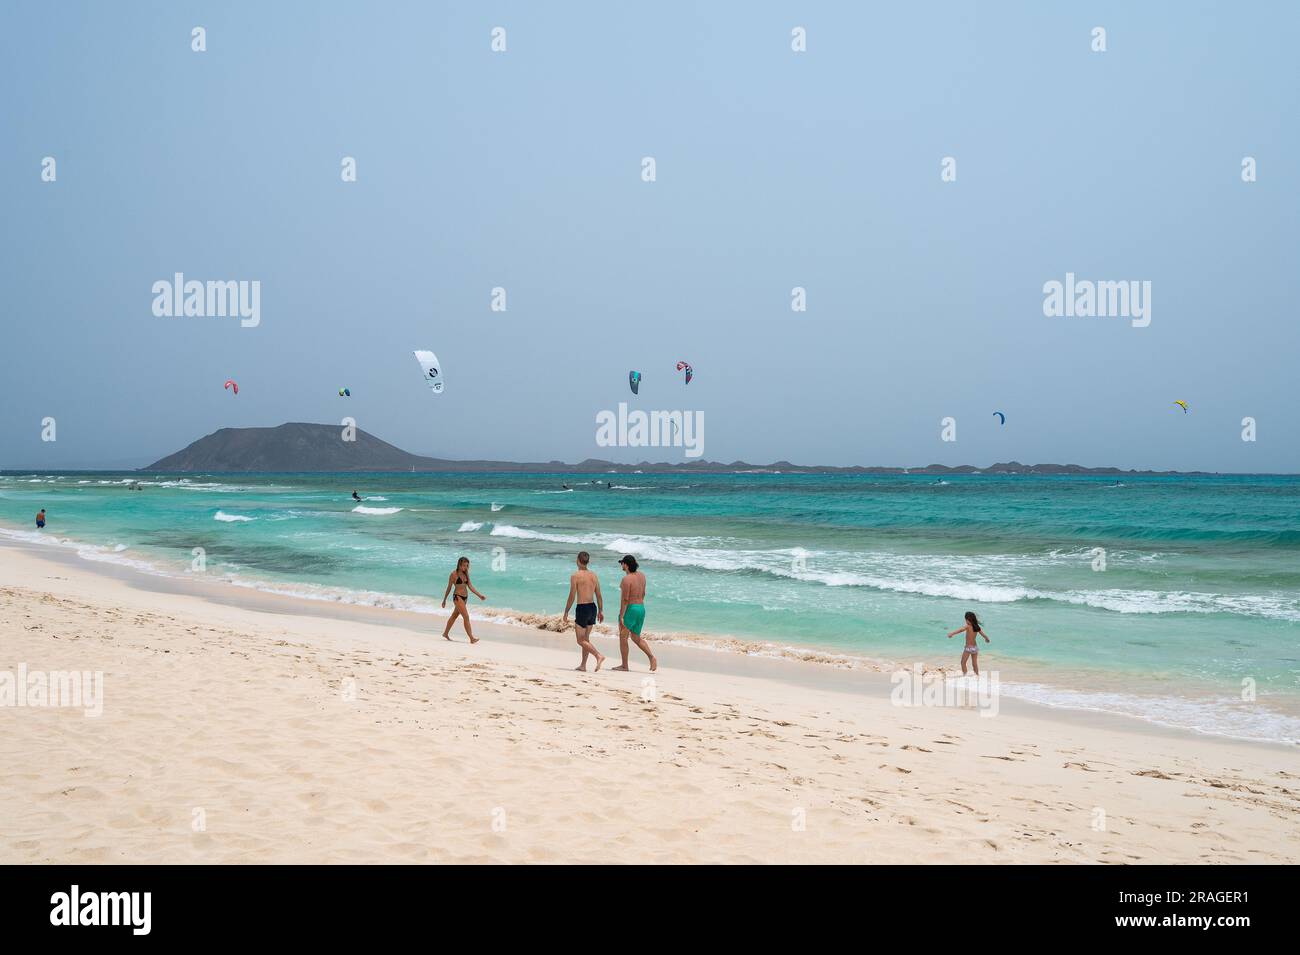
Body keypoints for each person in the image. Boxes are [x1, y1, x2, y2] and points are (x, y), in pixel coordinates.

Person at [562, 551, 605, 671]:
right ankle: (583, 665)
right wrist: (600, 611)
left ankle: (598, 656)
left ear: (577, 560)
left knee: (580, 640)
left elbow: (572, 595)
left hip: (582, 608)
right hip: (592, 607)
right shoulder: (594, 575)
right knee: (586, 639)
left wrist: (566, 611)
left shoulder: (575, 576)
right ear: (587, 561)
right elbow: (599, 595)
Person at [612, 554, 656, 672]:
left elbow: (625, 599)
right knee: (636, 637)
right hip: (641, 608)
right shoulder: (642, 576)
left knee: (623, 637)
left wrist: (621, 616)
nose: (621, 565)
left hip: (631, 609)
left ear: (626, 565)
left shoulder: (626, 579)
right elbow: (643, 593)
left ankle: (624, 665)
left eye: (622, 563)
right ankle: (651, 657)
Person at [441, 556, 486, 642]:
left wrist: (479, 595)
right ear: (459, 565)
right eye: (464, 565)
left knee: (454, 616)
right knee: (466, 616)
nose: (466, 567)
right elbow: (449, 588)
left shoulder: (466, 573)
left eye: (467, 565)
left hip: (465, 598)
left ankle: (445, 633)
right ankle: (471, 638)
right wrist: (444, 600)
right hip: (457, 597)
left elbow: (470, 586)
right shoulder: (453, 574)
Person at [947, 611, 990, 676]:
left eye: (965, 619)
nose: (965, 621)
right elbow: (983, 634)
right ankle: (977, 676)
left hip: (968, 648)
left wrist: (952, 633)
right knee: (974, 664)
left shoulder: (968, 626)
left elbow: (961, 630)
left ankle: (965, 676)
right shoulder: (976, 626)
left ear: (968, 619)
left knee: (963, 663)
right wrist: (987, 639)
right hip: (975, 648)